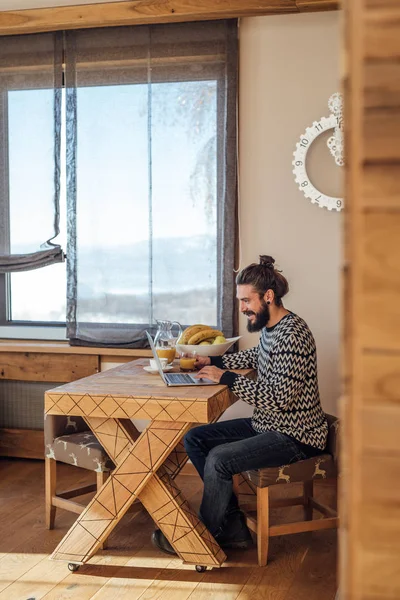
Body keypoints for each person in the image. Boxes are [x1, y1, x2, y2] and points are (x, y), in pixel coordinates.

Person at [152, 255, 328, 555]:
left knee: (219, 459)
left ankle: (202, 539)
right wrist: (213, 361)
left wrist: (227, 378)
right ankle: (231, 527)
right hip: (269, 426)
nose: (243, 307)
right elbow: (253, 358)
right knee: (195, 438)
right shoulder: (274, 328)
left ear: (268, 297)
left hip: (296, 436)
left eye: (247, 300)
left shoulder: (293, 334)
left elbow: (279, 399)